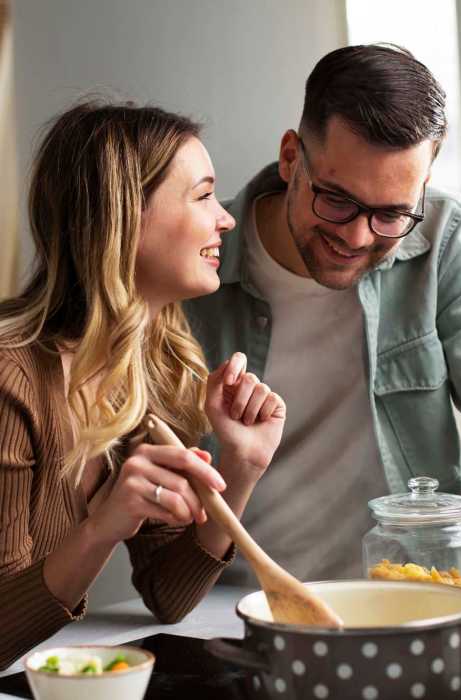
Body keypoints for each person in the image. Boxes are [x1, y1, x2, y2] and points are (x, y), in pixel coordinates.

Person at [184, 43, 461, 587]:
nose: (356, 237)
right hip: (236, 604)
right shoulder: (195, 261)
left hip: (413, 593)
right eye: (336, 199)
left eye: (392, 213)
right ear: (290, 158)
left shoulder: (445, 234)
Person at [0, 101, 286, 669]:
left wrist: (238, 469)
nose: (225, 219)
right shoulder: (11, 380)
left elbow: (167, 595)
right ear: (125, 217)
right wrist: (103, 525)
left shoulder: (147, 373)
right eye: (203, 196)